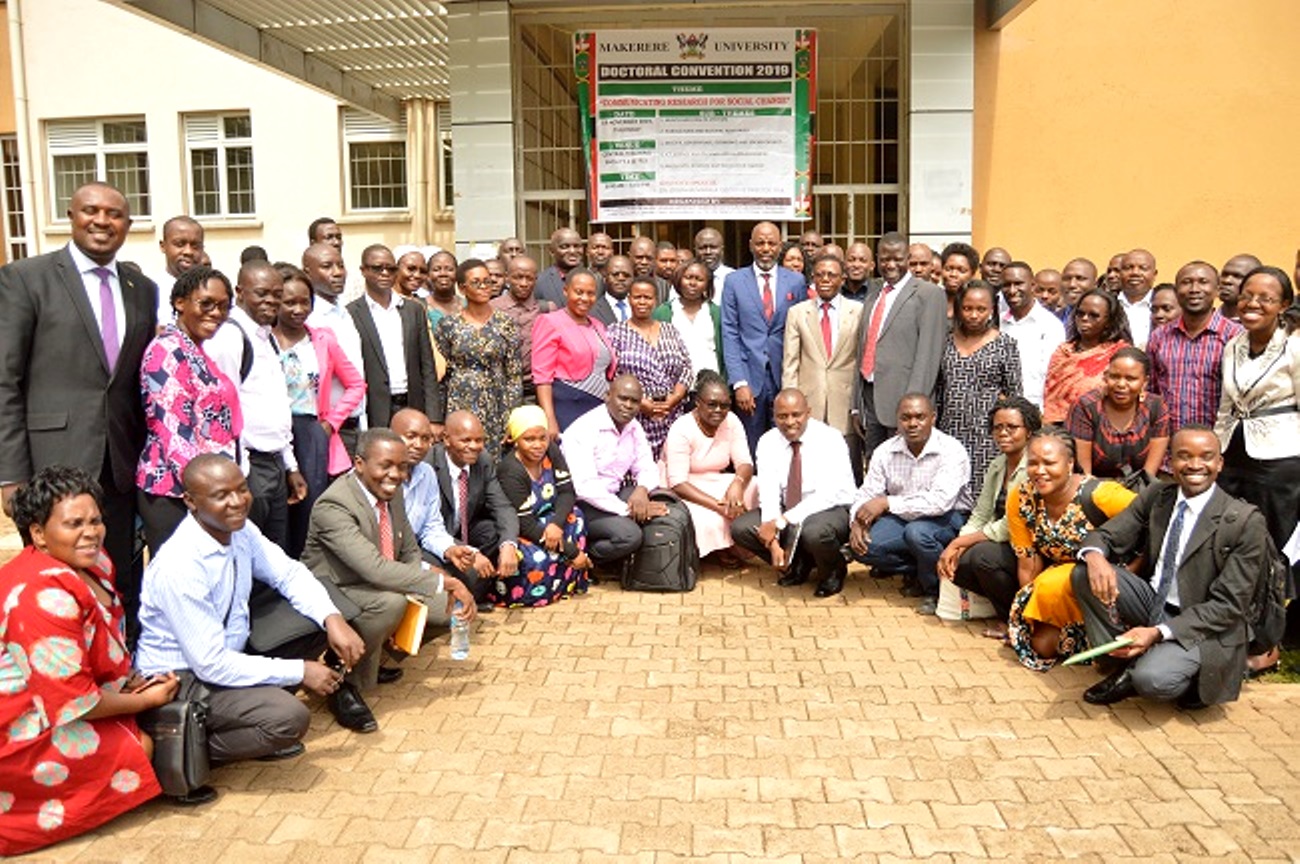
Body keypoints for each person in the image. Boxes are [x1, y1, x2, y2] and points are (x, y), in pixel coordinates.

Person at [0, 181, 158, 633]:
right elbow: (5, 381)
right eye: (91, 211)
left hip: (121, 464)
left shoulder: (141, 288)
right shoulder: (26, 278)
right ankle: (60, 675)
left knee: (119, 576)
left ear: (128, 225)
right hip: (53, 461)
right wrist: (12, 475)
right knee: (54, 580)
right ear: (71, 216)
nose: (102, 222)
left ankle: (118, 669)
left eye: (115, 214)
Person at [137, 454, 367, 763]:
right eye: (221, 495)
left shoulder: (240, 531)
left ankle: (245, 719)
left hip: (230, 654)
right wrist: (300, 670)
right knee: (289, 718)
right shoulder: (180, 566)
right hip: (184, 679)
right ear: (190, 501)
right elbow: (210, 664)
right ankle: (182, 747)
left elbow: (288, 574)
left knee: (322, 616)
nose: (237, 501)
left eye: (242, 489)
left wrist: (332, 618)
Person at [0, 466, 175, 855]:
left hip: (51, 700)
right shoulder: (42, 595)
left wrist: (122, 683)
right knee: (139, 747)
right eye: (74, 523)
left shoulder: (93, 564)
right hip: (17, 726)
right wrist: (148, 699)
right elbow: (74, 702)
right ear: (39, 534)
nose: (90, 532)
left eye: (95, 520)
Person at [1072, 426, 1270, 707]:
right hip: (1154, 602)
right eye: (1184, 456)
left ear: (1220, 463)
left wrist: (1157, 633)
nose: (1195, 465)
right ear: (1171, 460)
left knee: (1152, 680)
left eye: (1206, 456)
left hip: (1204, 623)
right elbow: (1105, 535)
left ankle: (1190, 674)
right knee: (1083, 573)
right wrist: (1094, 557)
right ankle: (1120, 661)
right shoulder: (1159, 496)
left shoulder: (1243, 521)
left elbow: (1229, 606)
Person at [303, 431, 475, 730]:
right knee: (392, 604)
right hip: (334, 589)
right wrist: (442, 582)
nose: (395, 475)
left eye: (402, 466)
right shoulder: (334, 505)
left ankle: (373, 655)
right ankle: (342, 682)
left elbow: (408, 549)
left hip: (371, 583)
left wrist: (420, 592)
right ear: (359, 463)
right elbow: (373, 569)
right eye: (385, 465)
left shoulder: (389, 494)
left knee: (442, 608)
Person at [1213, 266, 1300, 660]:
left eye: (1266, 298)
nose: (1253, 303)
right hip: (1233, 456)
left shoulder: (1295, 347)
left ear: (1283, 305)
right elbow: (1226, 408)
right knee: (1234, 543)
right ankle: (1232, 628)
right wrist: (1215, 451)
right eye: (1248, 294)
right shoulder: (1233, 345)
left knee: (1273, 549)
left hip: (1280, 461)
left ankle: (1269, 641)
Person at [1004, 429, 1135, 670]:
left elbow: (1148, 519)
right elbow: (1027, 562)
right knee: (1040, 645)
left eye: (1050, 463)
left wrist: (1130, 573)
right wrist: (1027, 618)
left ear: (1070, 464)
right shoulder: (1022, 497)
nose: (1040, 471)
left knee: (1053, 584)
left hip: (1107, 582)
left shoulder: (1101, 495)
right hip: (1059, 586)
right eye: (1033, 463)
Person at [136, 267, 242, 554]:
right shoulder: (167, 351)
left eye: (223, 306)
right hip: (176, 493)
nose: (216, 313)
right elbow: (173, 432)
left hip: (205, 491)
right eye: (206, 303)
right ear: (180, 302)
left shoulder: (196, 350)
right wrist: (208, 493)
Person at [204, 261, 305, 551]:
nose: (270, 301)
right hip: (249, 467)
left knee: (274, 552)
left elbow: (274, 405)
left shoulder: (266, 336)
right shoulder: (230, 338)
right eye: (261, 293)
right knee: (246, 552)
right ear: (240, 293)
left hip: (273, 463)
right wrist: (239, 472)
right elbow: (222, 410)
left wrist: (290, 465)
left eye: (276, 293)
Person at [271, 264, 367, 558]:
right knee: (276, 509)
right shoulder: (262, 341)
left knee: (307, 508)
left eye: (305, 302)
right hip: (273, 433)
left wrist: (331, 423)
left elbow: (356, 384)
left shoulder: (322, 339)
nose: (299, 309)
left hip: (312, 433)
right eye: (290, 302)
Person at [850, 394, 972, 614]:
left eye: (920, 417)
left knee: (918, 534)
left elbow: (939, 502)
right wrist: (857, 521)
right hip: (903, 517)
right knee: (863, 547)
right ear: (897, 420)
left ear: (933, 418)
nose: (913, 423)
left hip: (948, 517)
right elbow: (868, 492)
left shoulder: (952, 450)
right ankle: (921, 567)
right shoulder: (885, 451)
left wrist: (886, 502)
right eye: (905, 418)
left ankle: (935, 590)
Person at [732, 388, 855, 596]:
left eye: (796, 415)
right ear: (774, 416)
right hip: (788, 510)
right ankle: (797, 563)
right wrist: (771, 542)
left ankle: (833, 570)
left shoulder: (830, 438)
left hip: (830, 509)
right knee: (742, 527)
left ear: (809, 412)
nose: (789, 422)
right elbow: (768, 492)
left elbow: (828, 494)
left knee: (813, 532)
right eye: (782, 416)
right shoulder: (767, 441)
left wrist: (781, 522)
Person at [939, 396, 1043, 637]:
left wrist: (961, 542)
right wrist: (958, 547)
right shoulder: (997, 465)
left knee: (981, 557)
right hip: (1001, 544)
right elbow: (981, 513)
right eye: (998, 427)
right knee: (959, 563)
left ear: (1029, 431)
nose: (1003, 433)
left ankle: (1014, 618)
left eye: (1012, 427)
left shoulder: (1035, 467)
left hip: (1028, 547)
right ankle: (999, 608)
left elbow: (1009, 525)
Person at [852, 231, 949, 464]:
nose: (891, 264)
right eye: (885, 259)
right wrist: (856, 406)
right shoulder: (874, 293)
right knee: (875, 468)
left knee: (905, 472)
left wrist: (912, 412)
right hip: (870, 398)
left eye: (897, 258)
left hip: (903, 401)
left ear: (908, 258)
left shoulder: (929, 294)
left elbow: (928, 358)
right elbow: (863, 348)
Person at [561, 375, 667, 572]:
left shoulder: (634, 427)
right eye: (622, 398)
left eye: (634, 401)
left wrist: (642, 490)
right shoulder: (583, 429)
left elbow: (647, 466)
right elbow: (585, 487)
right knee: (630, 536)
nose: (628, 405)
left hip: (612, 495)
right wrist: (627, 510)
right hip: (581, 505)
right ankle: (588, 558)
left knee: (660, 505)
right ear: (608, 396)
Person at [721, 222, 807, 453]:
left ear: (780, 246)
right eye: (760, 243)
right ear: (751, 246)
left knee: (788, 445)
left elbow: (802, 329)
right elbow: (729, 332)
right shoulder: (734, 281)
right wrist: (739, 382)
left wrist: (797, 381)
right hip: (750, 380)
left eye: (771, 243)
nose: (766, 248)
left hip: (785, 377)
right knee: (752, 446)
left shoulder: (796, 281)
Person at [493, 405, 592, 606]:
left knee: (577, 517)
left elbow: (567, 492)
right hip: (525, 529)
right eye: (529, 439)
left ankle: (570, 583)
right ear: (514, 440)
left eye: (542, 438)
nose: (538, 445)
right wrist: (571, 551)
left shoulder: (551, 451)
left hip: (550, 520)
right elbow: (525, 523)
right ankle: (532, 594)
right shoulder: (511, 471)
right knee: (537, 560)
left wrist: (556, 525)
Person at [425, 411, 521, 608]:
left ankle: (475, 590)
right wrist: (471, 552)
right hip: (434, 540)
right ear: (446, 439)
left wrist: (509, 544)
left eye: (479, 440)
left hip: (465, 529)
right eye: (466, 440)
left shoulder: (483, 461)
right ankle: (465, 590)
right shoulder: (428, 465)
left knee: (496, 532)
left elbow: (502, 506)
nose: (474, 447)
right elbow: (428, 529)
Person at [782, 254, 865, 478]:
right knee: (811, 468)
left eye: (831, 275)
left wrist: (859, 404)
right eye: (820, 275)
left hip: (845, 402)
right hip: (810, 401)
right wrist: (791, 404)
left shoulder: (858, 311)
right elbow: (790, 362)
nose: (825, 279)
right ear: (812, 278)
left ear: (843, 279)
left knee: (849, 467)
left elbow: (861, 359)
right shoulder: (797, 313)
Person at [434, 258, 523, 461]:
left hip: (497, 403)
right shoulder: (449, 325)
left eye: (488, 281)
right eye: (476, 282)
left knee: (494, 461)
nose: (484, 287)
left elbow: (514, 374)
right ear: (462, 288)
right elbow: (441, 374)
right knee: (462, 456)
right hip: (460, 400)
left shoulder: (505, 323)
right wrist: (439, 417)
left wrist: (512, 417)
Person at [936, 281, 1023, 489]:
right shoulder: (945, 342)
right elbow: (938, 389)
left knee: (983, 493)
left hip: (987, 435)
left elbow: (1014, 395)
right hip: (949, 431)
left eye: (981, 309)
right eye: (967, 308)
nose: (973, 315)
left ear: (992, 310)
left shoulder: (1005, 345)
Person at [663, 370, 757, 563]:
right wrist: (720, 507)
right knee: (711, 518)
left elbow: (745, 463)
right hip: (684, 487)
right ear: (698, 402)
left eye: (724, 405)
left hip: (714, 480)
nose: (718, 410)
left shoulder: (731, 420)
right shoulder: (681, 428)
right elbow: (678, 483)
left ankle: (738, 540)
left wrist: (737, 484)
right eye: (712, 404)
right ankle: (719, 549)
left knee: (756, 486)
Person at [348, 244, 441, 431]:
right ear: (364, 270)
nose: (384, 273)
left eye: (390, 269)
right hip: (375, 409)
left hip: (411, 403)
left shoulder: (413, 310)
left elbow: (427, 366)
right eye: (377, 268)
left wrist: (434, 417)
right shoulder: (351, 313)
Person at [1147, 261, 1242, 434]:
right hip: (1169, 443)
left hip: (1219, 443)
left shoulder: (1236, 336)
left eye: (1203, 282)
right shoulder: (1159, 337)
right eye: (1186, 282)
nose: (1194, 289)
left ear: (1217, 289)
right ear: (1176, 291)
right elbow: (1152, 394)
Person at [607, 278, 694, 458]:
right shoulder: (615, 332)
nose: (642, 302)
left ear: (655, 301)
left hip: (672, 413)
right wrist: (639, 403)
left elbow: (686, 367)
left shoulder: (670, 330)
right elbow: (611, 374)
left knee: (672, 466)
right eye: (637, 297)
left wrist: (675, 397)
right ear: (629, 299)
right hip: (634, 414)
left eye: (647, 297)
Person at [532, 269, 618, 433]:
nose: (585, 298)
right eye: (579, 292)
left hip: (598, 406)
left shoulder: (597, 324)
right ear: (566, 291)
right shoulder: (549, 322)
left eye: (590, 293)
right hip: (568, 405)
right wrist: (549, 418)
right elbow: (542, 376)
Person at [1068, 347, 1169, 482]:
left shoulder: (1156, 407)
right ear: (1105, 376)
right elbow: (1083, 475)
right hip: (1094, 490)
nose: (1121, 384)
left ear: (1144, 382)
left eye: (1130, 379)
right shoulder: (1086, 407)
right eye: (1114, 377)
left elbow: (1149, 475)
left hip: (1141, 489)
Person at [303, 242, 366, 455]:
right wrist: (330, 424)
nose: (337, 272)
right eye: (327, 266)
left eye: (340, 265)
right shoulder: (310, 319)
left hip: (356, 423)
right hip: (329, 428)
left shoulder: (344, 312)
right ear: (308, 273)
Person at [1042, 288, 1133, 424]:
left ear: (1109, 321)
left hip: (1103, 429)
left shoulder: (1120, 354)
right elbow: (1051, 396)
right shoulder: (1063, 352)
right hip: (1059, 430)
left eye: (1094, 315)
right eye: (1080, 314)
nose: (1084, 319)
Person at [390, 407, 458, 567]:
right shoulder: (377, 477)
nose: (419, 445)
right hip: (385, 557)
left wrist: (450, 549)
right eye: (410, 436)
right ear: (391, 435)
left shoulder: (426, 473)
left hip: (414, 549)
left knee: (469, 570)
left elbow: (431, 527)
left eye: (426, 438)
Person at [998, 261, 1065, 408]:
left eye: (1018, 283)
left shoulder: (1051, 326)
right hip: (1001, 411)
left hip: (1037, 411)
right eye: (1006, 285)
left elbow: (1055, 375)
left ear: (1033, 286)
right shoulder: (996, 323)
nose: (1012, 290)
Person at [491, 253, 554, 404]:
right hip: (500, 390)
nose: (524, 283)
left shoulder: (547, 309)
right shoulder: (492, 308)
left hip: (536, 390)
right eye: (518, 277)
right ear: (507, 278)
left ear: (536, 280)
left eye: (529, 278)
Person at [655, 259, 724, 381]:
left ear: (707, 284)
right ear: (679, 280)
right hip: (675, 388)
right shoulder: (664, 312)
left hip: (711, 386)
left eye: (699, 279)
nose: (693, 283)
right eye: (688, 277)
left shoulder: (716, 313)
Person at [152, 215, 205, 323]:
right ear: (163, 246)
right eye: (180, 244)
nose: (188, 252)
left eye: (195, 246)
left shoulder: (213, 292)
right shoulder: (150, 292)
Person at [1118, 249, 1159, 348]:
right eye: (1128, 268)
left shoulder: (1165, 305)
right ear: (1120, 273)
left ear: (1154, 274)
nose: (1135, 273)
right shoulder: (1108, 304)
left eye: (1143, 268)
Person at [535, 228, 585, 306]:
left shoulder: (595, 279)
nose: (572, 251)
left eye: (577, 246)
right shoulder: (540, 282)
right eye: (565, 246)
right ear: (552, 251)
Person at [938, 242, 980, 320]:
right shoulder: (932, 300)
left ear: (973, 274)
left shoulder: (977, 304)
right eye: (948, 269)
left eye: (962, 270)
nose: (953, 274)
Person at [591, 254, 635, 325]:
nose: (621, 278)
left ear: (633, 279)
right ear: (605, 278)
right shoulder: (593, 311)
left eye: (626, 275)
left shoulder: (641, 306)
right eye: (615, 274)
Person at [694, 227, 734, 303]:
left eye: (713, 247)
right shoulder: (684, 279)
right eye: (702, 248)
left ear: (722, 250)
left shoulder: (735, 278)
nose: (708, 252)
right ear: (695, 250)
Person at [1217, 253, 1262, 321]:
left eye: (1237, 276)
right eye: (1224, 275)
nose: (1227, 281)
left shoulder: (1264, 326)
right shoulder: (1203, 322)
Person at [425, 251, 462, 324]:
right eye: (436, 269)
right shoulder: (420, 307)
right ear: (428, 275)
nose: (443, 274)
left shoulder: (468, 305)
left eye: (449, 269)